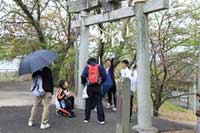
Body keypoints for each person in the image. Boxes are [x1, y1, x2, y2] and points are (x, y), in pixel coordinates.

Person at [81, 57, 106, 125]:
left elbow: (83, 76)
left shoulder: (87, 67)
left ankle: (86, 118)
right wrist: (100, 82)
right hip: (98, 87)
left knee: (88, 102)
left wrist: (84, 83)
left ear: (88, 62)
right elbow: (104, 76)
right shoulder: (99, 67)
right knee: (99, 103)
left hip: (90, 87)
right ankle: (101, 120)